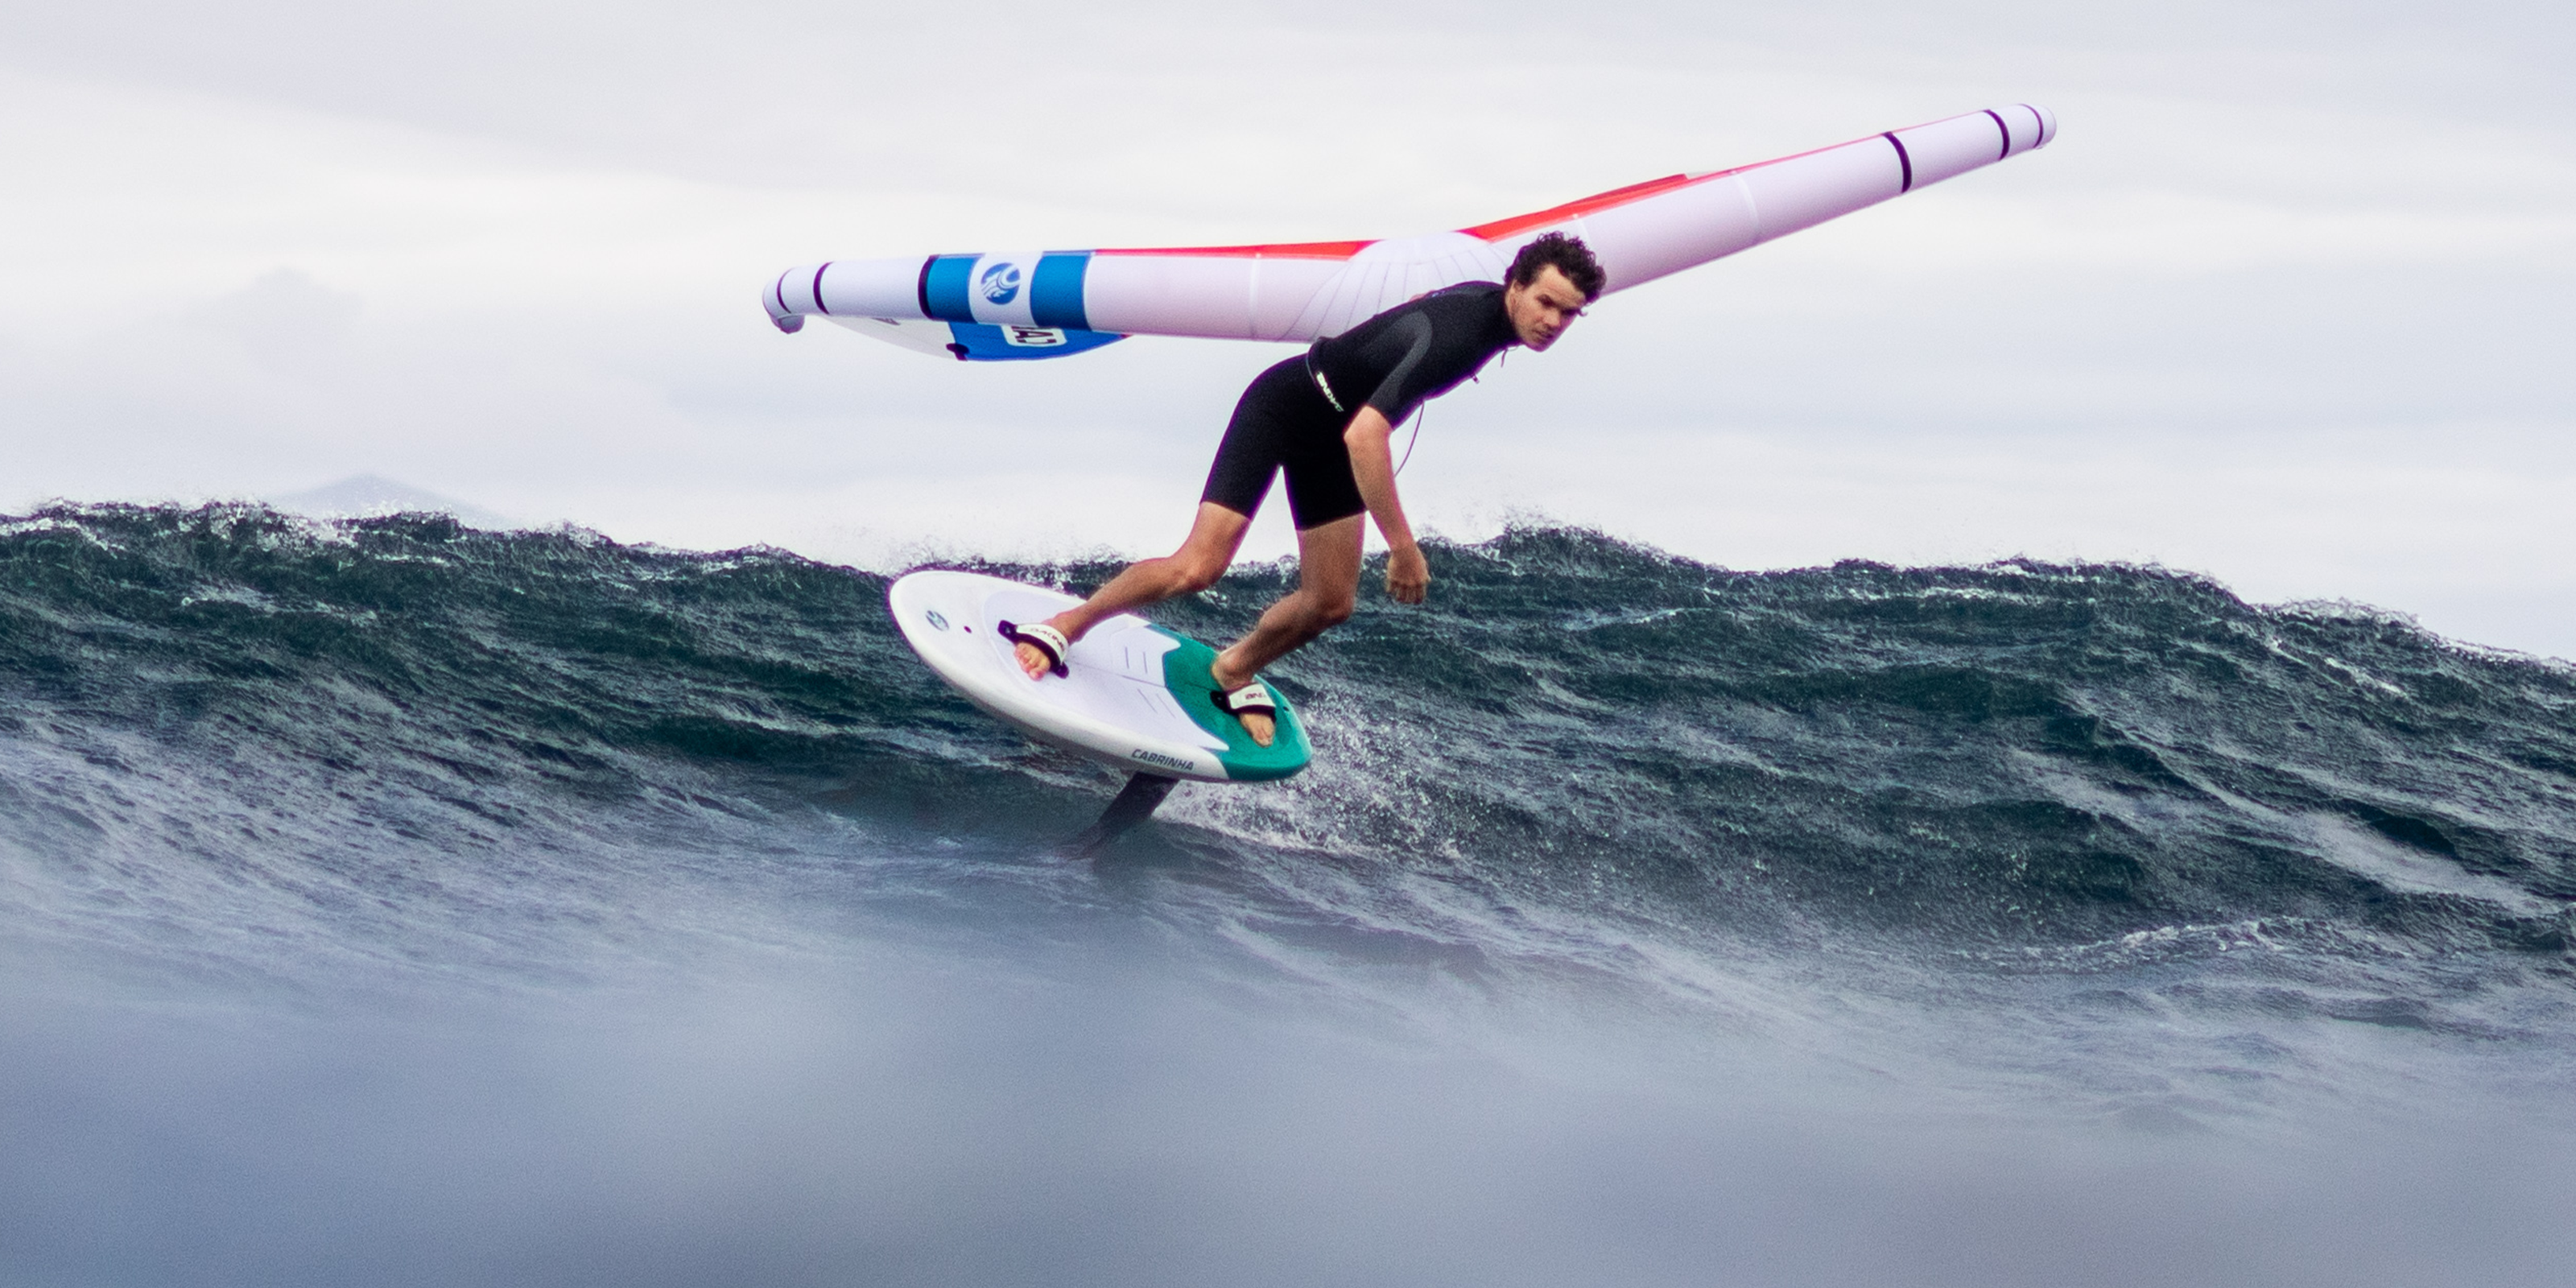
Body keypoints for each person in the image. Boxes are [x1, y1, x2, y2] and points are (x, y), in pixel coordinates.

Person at [1007, 232, 1606, 746]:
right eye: (1546, 303)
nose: (1553, 322)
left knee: (1330, 603)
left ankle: (1233, 670)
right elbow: (1367, 437)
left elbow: (1417, 307)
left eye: (1569, 313)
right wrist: (1403, 548)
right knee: (1199, 567)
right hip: (1287, 406)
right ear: (1515, 286)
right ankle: (1068, 623)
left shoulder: (1485, 307)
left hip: (1333, 432)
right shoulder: (1462, 338)